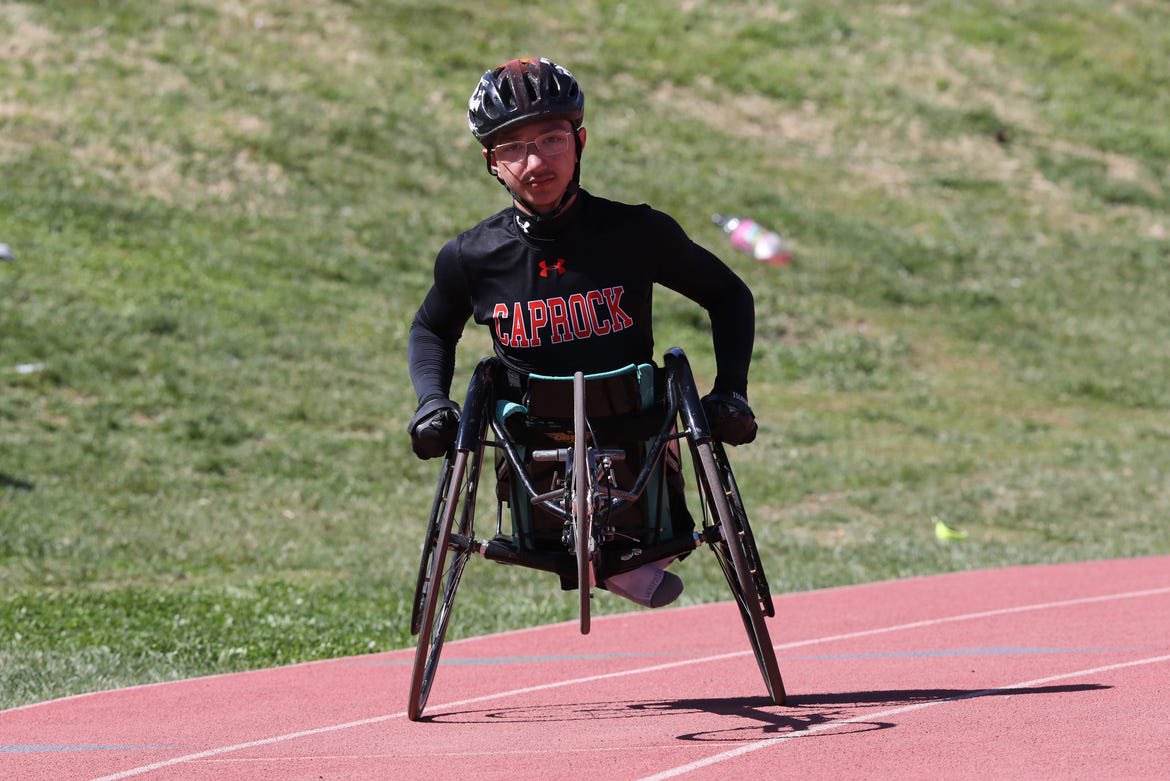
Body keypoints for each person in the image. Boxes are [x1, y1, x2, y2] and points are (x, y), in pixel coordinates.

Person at [407, 57, 758, 608]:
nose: (534, 160)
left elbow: (729, 294)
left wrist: (730, 391)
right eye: (511, 148)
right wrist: (431, 402)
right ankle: (608, 560)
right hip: (531, 447)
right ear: (490, 162)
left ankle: (631, 559)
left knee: (656, 407)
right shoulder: (471, 257)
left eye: (551, 138)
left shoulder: (638, 232)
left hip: (636, 431)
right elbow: (431, 328)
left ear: (580, 140)